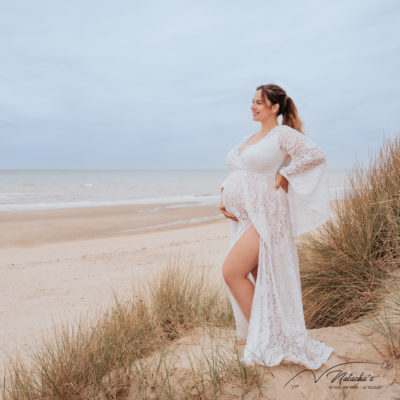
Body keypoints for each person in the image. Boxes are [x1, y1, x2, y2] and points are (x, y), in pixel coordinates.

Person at [219, 83, 334, 370]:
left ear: (275, 107)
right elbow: (239, 171)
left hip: (268, 216)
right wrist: (224, 194)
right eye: (253, 101)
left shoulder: (282, 134)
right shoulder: (252, 136)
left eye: (259, 102)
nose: (253, 106)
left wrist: (286, 174)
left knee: (232, 272)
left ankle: (266, 340)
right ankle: (271, 336)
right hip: (249, 217)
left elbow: (315, 155)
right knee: (260, 282)